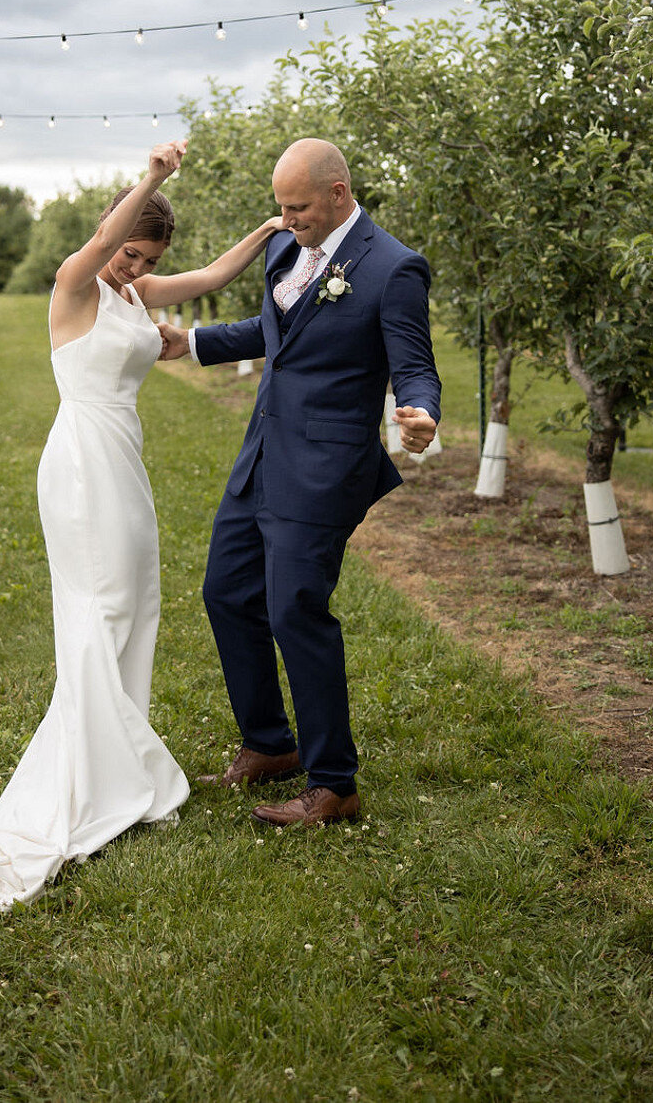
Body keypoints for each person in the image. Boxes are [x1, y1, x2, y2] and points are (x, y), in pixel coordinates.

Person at [0, 140, 281, 910]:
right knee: (102, 603)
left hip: (122, 458)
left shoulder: (133, 293)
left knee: (137, 601)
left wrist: (271, 229)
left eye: (144, 257)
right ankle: (92, 764)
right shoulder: (77, 283)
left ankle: (116, 750)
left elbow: (216, 278)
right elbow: (93, 249)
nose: (130, 267)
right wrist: (151, 178)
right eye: (126, 252)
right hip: (83, 463)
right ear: (111, 235)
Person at [159, 138, 440, 828]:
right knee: (226, 592)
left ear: (339, 193)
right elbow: (276, 329)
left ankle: (333, 782)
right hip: (262, 451)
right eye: (280, 207)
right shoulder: (288, 250)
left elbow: (415, 362)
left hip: (324, 469)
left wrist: (422, 413)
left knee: (296, 611)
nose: (286, 219)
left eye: (299, 207)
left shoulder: (392, 267)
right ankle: (269, 744)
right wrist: (192, 343)